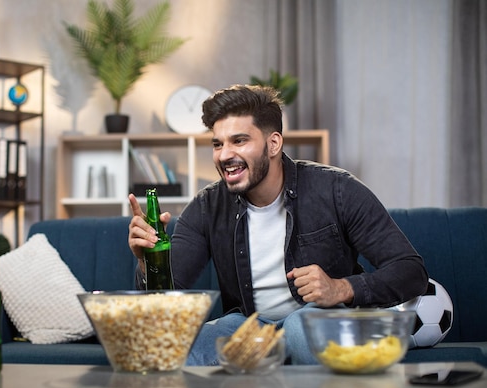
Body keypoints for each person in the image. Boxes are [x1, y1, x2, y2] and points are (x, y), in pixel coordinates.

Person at [127, 84, 428, 365]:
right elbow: (166, 302)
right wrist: (146, 262)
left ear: (273, 144)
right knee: (177, 345)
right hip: (251, 328)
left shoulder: (336, 189)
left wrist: (341, 288)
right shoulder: (206, 207)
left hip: (322, 320)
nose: (224, 155)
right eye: (217, 144)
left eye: (239, 141)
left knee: (299, 327)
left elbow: (410, 271)